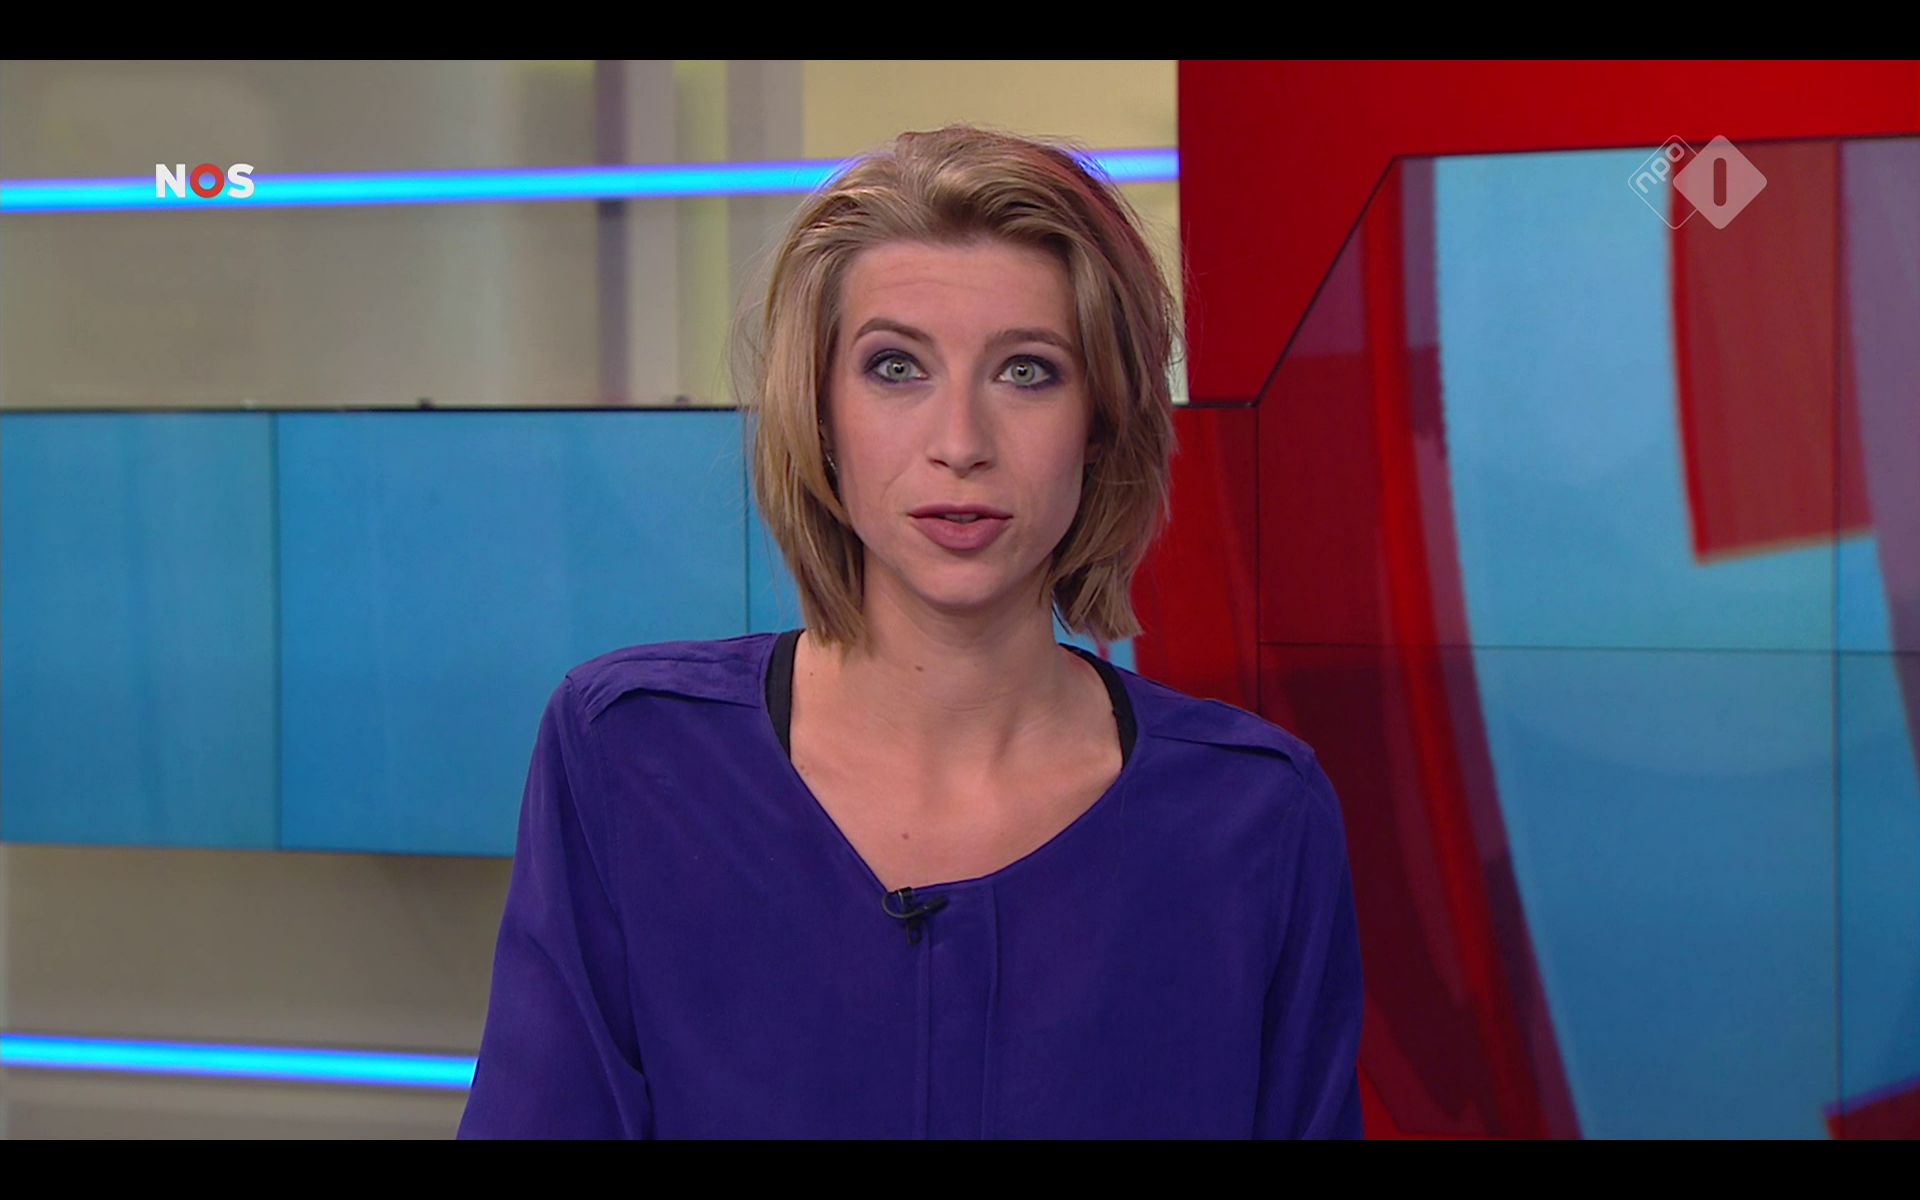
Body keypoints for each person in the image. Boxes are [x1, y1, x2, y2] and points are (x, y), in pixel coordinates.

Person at [457, 124, 1364, 1139]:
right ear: (820, 414)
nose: (960, 444)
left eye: (1028, 372)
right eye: (896, 367)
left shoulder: (1254, 819)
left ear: (1102, 423)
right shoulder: (631, 752)